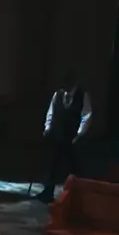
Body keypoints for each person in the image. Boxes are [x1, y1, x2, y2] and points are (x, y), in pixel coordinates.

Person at [36, 72, 93, 202]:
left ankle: (75, 195)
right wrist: (47, 128)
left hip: (72, 136)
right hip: (58, 134)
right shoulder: (58, 94)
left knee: (73, 166)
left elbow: (86, 115)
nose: (64, 88)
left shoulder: (82, 95)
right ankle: (48, 193)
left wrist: (80, 133)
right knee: (53, 165)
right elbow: (51, 112)